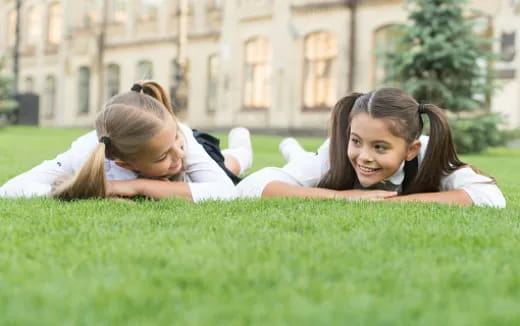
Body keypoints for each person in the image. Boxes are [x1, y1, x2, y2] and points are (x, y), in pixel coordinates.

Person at [237, 88, 506, 208]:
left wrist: (395, 204)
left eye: (380, 147)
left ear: (410, 150)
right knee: (298, 158)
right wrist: (342, 197)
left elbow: (490, 197)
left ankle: (292, 147)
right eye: (357, 141)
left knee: (300, 156)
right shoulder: (337, 152)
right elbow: (250, 187)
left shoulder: (426, 153)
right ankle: (290, 146)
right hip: (312, 158)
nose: (364, 156)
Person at [0, 81, 253, 202]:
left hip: (197, 145)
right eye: (162, 156)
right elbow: (8, 190)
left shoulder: (182, 139)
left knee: (228, 167)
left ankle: (243, 150)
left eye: (174, 141)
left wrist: (138, 186)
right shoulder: (87, 150)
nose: (177, 154)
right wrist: (82, 191)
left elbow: (225, 191)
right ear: (126, 163)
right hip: (174, 166)